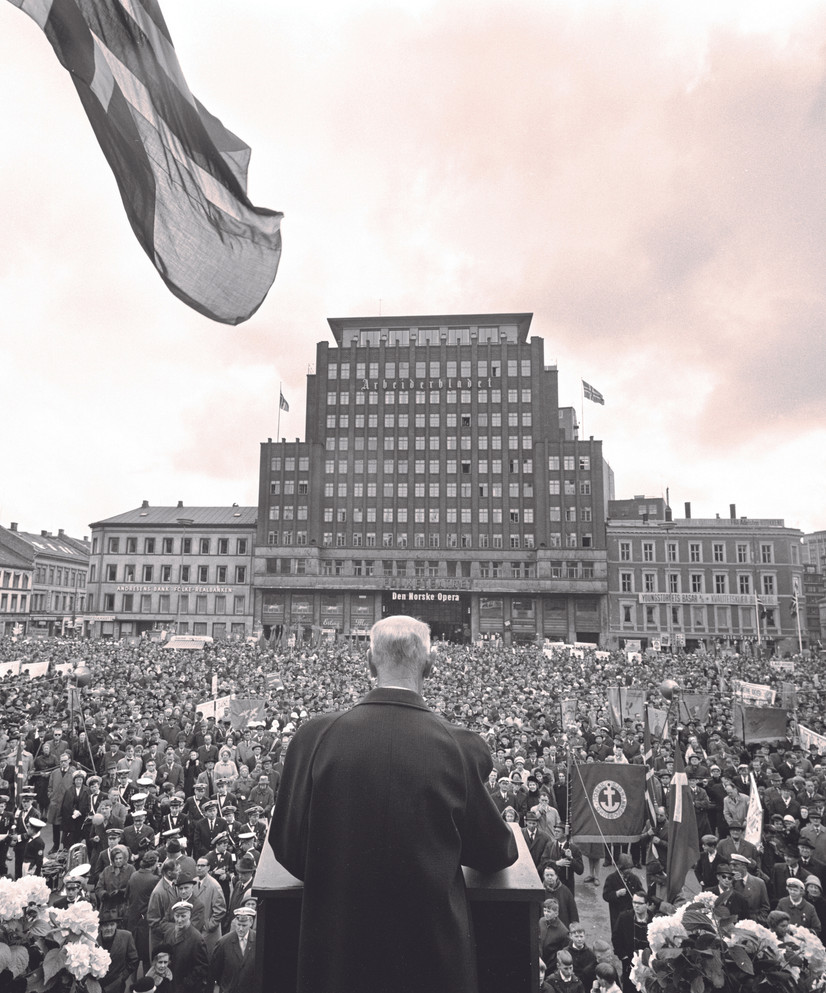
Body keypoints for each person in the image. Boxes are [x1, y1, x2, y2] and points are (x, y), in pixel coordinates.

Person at [269, 615, 518, 993]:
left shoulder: (314, 737)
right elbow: (495, 852)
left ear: (370, 662)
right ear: (430, 665)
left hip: (336, 961)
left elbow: (287, 847)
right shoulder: (459, 746)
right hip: (431, 965)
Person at [210, 906, 257, 993]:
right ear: (235, 922)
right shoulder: (223, 943)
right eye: (238, 925)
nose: (240, 929)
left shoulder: (258, 941)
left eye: (244, 925)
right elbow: (216, 971)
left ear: (251, 922)